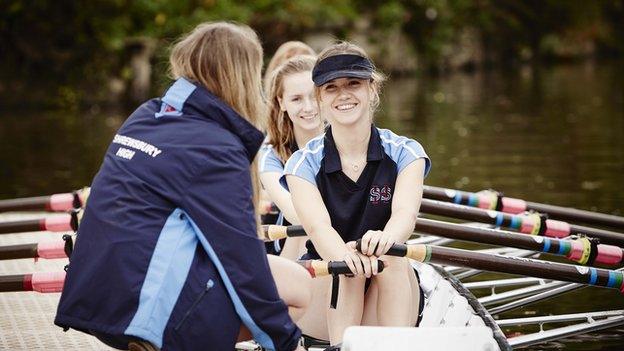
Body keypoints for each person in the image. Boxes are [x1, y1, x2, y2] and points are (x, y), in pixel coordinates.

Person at [54, 22, 309, 351]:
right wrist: (286, 340)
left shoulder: (145, 115)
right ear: (244, 76)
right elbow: (241, 259)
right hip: (143, 314)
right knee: (300, 288)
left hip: (96, 300)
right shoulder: (217, 148)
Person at [283, 41, 431, 345]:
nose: (344, 94)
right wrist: (346, 257)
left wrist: (385, 240)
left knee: (392, 256)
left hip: (389, 280)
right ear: (320, 98)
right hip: (328, 290)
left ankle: (395, 345)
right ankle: (341, 343)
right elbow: (318, 228)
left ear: (372, 90)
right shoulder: (301, 164)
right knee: (348, 265)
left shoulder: (407, 153)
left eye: (353, 83)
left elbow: (405, 214)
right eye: (331, 88)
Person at [260, 55, 324, 260]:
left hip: (340, 244)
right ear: (282, 102)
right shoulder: (270, 156)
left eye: (314, 96)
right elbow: (294, 213)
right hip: (289, 254)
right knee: (305, 224)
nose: (308, 107)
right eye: (297, 99)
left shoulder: (350, 143)